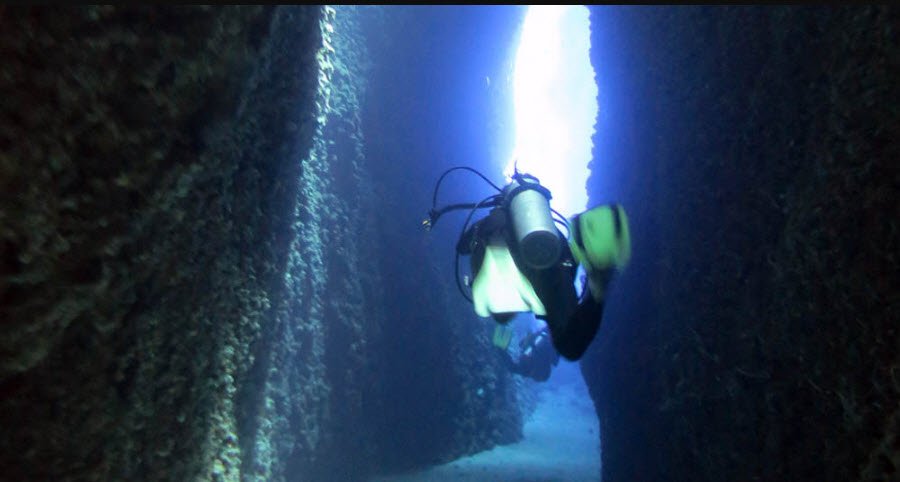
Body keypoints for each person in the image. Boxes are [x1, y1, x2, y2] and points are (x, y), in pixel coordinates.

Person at [424, 168, 631, 362]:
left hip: (503, 288)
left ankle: (591, 284)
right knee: (569, 346)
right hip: (547, 273)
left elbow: (461, 247)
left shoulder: (490, 221)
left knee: (503, 314)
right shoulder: (549, 232)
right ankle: (597, 285)